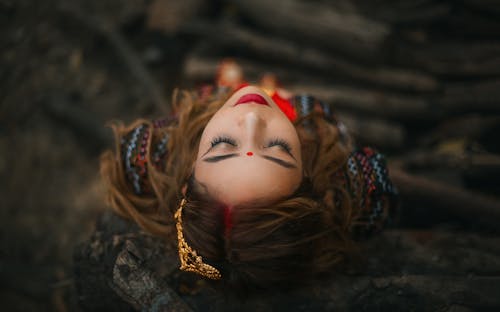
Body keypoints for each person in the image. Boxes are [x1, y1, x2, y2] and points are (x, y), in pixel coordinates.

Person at [100, 61, 398, 294]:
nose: (253, 119)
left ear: (188, 174)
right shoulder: (329, 149)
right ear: (308, 177)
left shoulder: (158, 149)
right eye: (279, 149)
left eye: (221, 145)